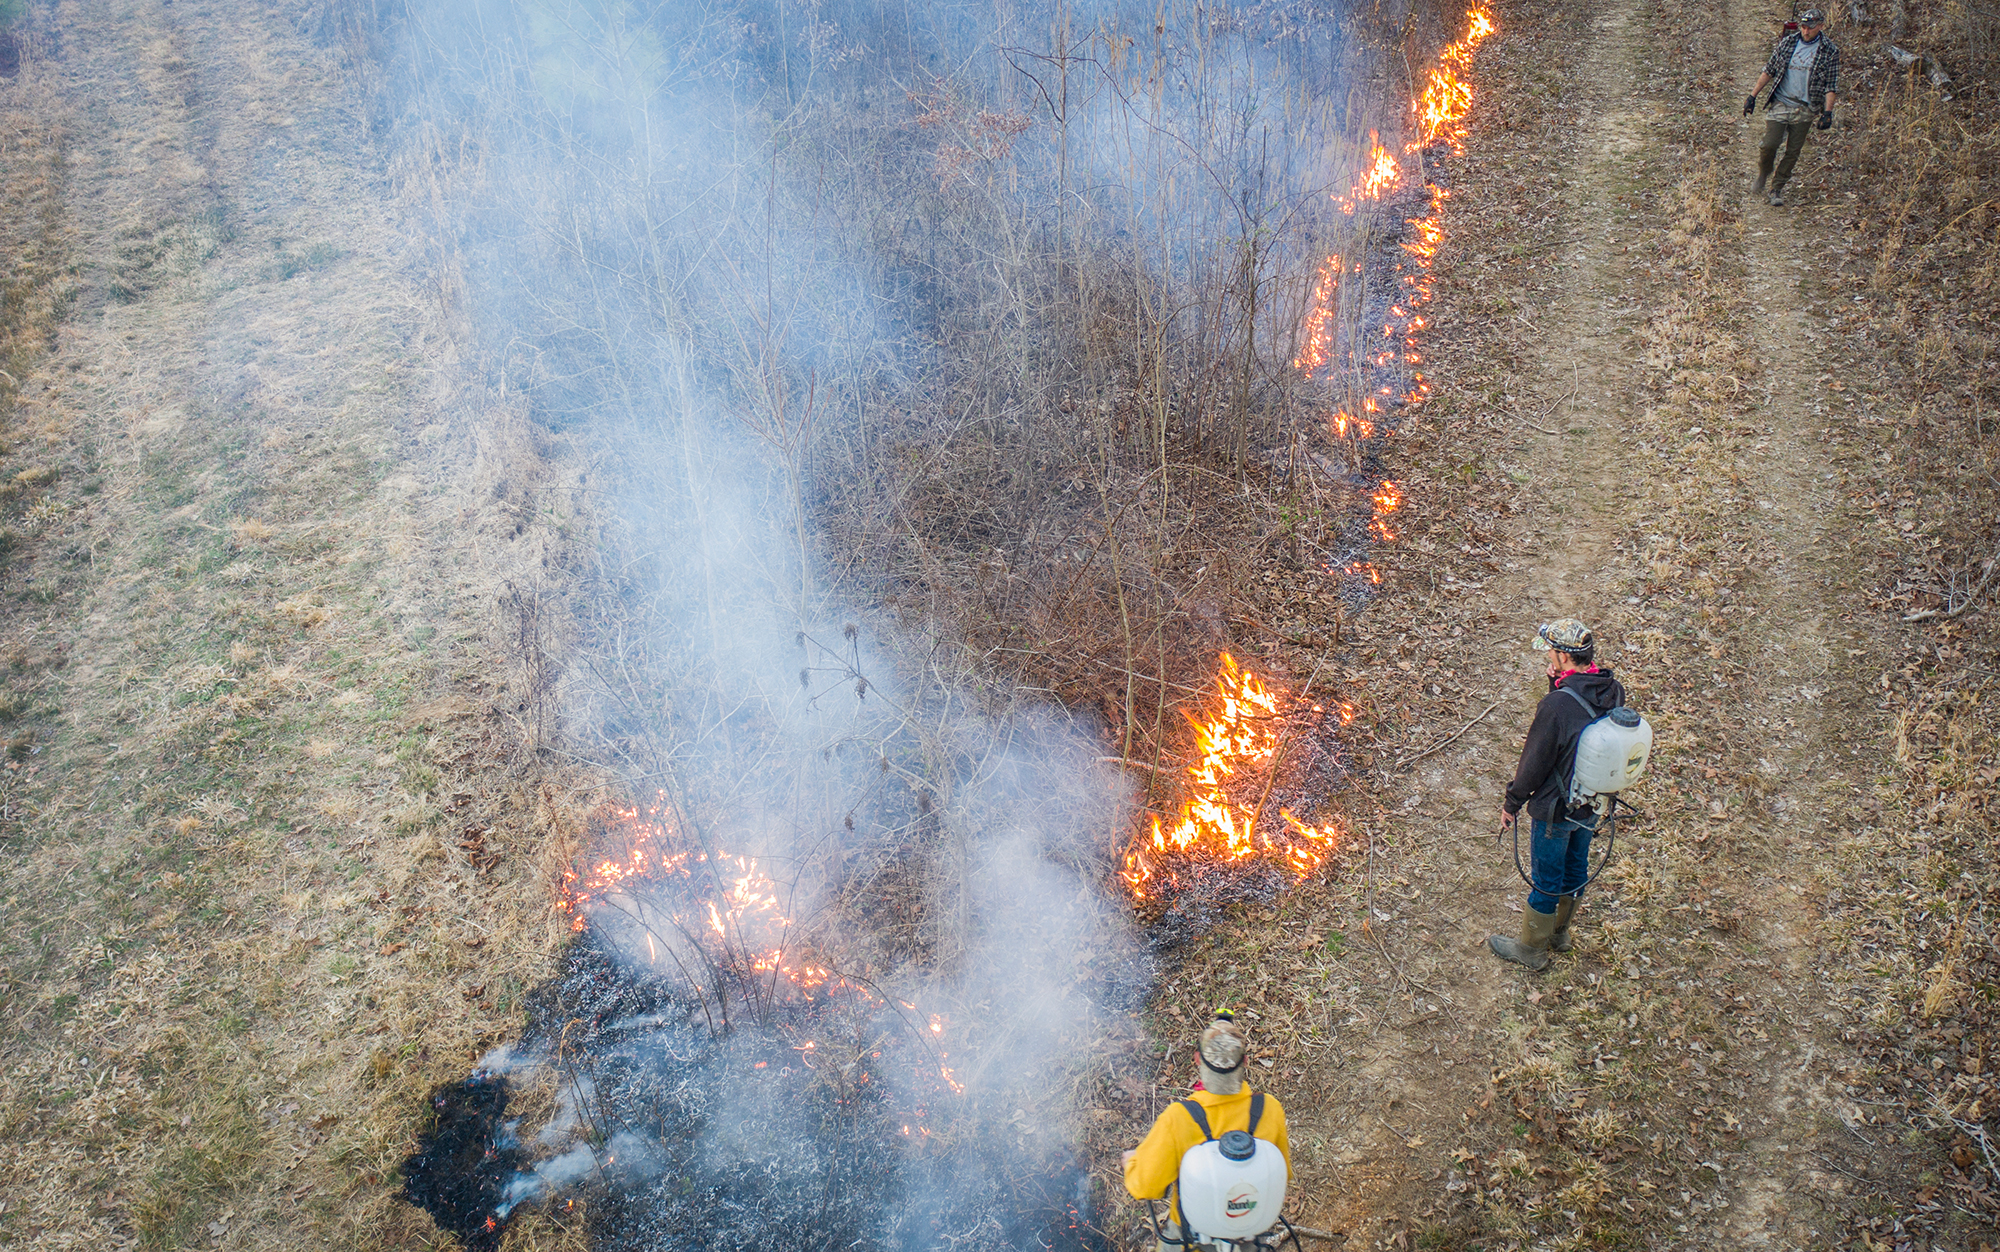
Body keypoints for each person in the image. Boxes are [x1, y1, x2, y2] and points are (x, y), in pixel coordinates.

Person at [1490, 619, 1627, 971]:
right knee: (1575, 867)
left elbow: (1535, 762)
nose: (1548, 655)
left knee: (1546, 880)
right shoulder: (1611, 688)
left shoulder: (1556, 708)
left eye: (1551, 651)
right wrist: (1557, 684)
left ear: (1564, 656)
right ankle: (1560, 934)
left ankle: (1532, 950)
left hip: (1555, 809)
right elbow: (1576, 725)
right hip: (1592, 802)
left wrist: (1512, 802)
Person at [1124, 1014, 1291, 1249]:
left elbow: (1144, 1186)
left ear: (1197, 1060)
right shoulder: (1269, 1110)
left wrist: (1132, 1164)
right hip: (1246, 1237)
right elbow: (1282, 1174)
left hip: (1188, 1239)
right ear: (1244, 1062)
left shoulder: (1179, 1118)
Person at [1742, 9, 1840, 207]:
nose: (1806, 31)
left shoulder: (1830, 50)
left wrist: (1827, 112)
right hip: (1781, 103)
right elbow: (1769, 70)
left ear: (1821, 26)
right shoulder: (1788, 43)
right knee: (1769, 145)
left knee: (1793, 151)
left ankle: (1776, 188)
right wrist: (1752, 96)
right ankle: (1764, 173)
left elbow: (1831, 85)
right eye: (1803, 27)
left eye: (1810, 28)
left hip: (1806, 107)